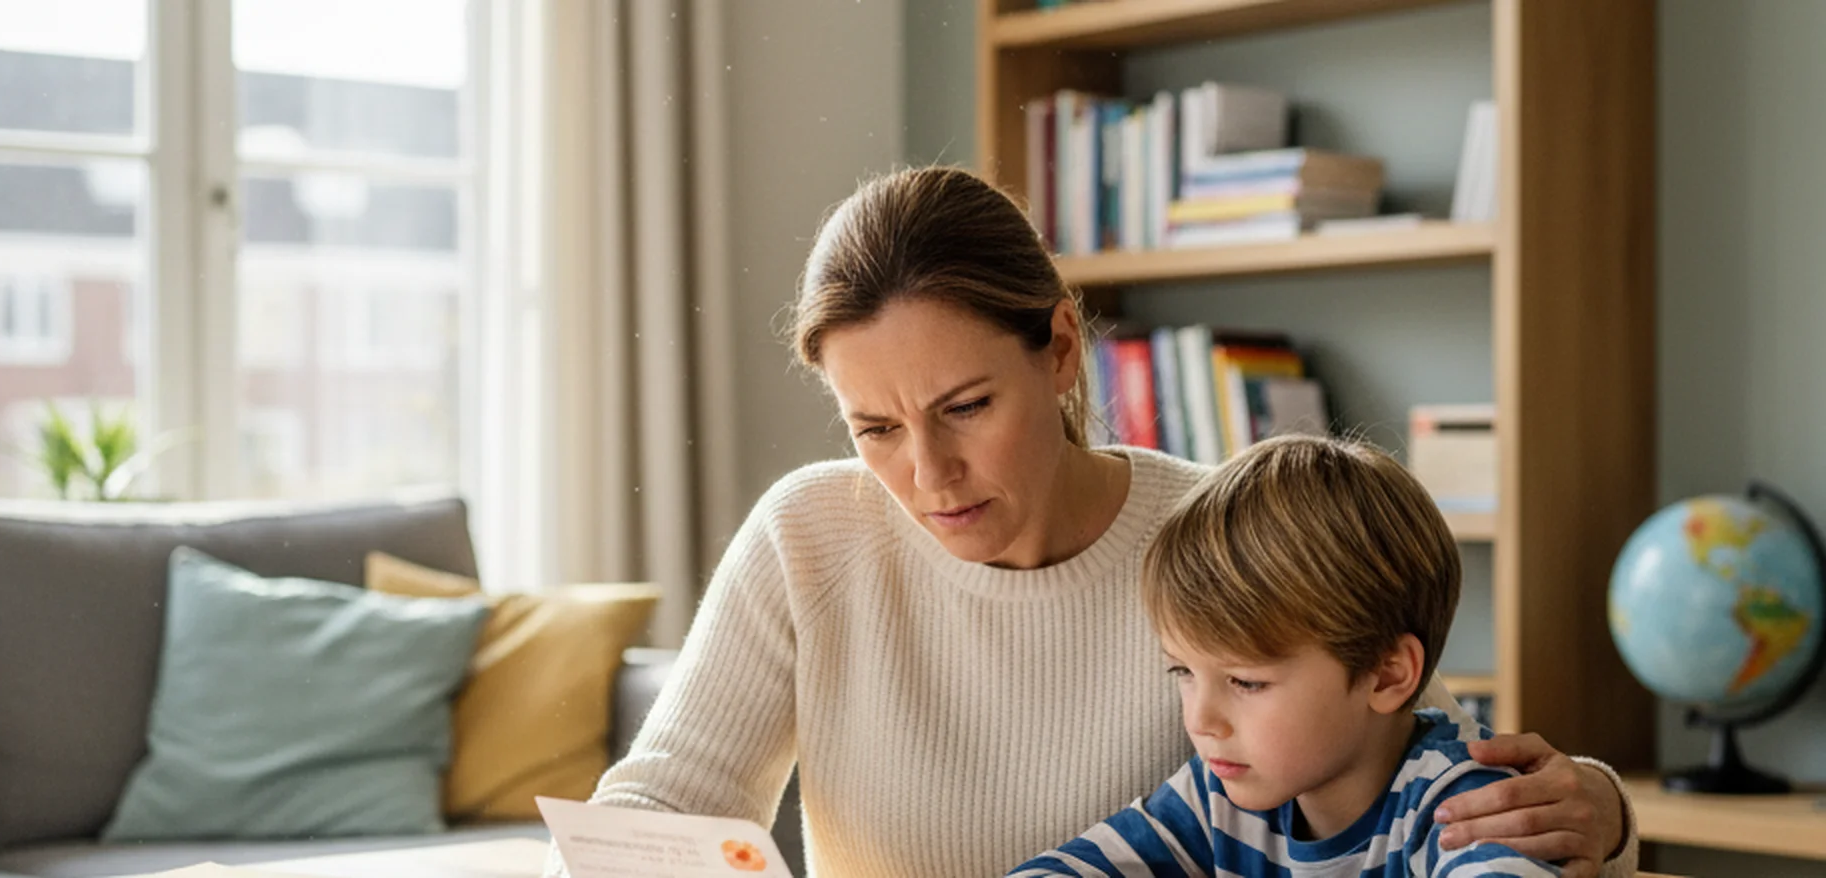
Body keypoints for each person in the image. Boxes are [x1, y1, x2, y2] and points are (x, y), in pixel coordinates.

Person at [560, 167, 1637, 877]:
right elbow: (660, 803)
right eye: (873, 427)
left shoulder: (1218, 543)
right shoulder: (807, 534)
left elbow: (1400, 741)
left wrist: (1597, 808)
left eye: (965, 408)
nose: (926, 474)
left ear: (1061, 349)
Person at [1010, 435, 1553, 877]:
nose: (1201, 721)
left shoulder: (1465, 803)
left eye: (1246, 683)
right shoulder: (1215, 797)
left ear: (1387, 675)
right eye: (1184, 671)